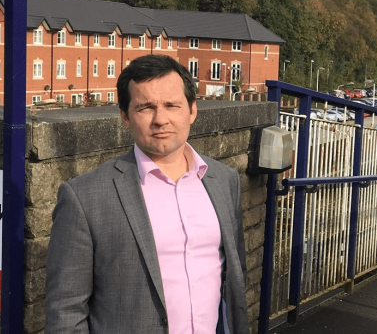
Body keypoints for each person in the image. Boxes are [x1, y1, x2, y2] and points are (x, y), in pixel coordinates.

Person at [45, 55, 249, 334]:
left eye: (172, 105)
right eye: (146, 107)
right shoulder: (84, 198)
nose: (160, 119)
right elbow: (65, 312)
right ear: (125, 117)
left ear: (192, 110)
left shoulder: (224, 181)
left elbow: (234, 279)